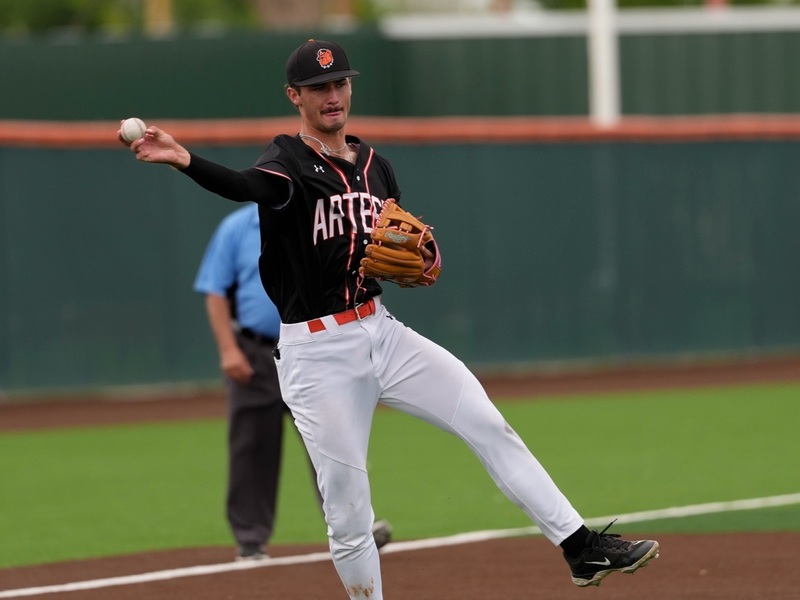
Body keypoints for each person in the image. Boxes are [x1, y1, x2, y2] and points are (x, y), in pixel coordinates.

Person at [121, 39, 659, 598]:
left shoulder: (378, 167)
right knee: (350, 516)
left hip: (381, 329)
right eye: (318, 88)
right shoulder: (287, 165)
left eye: (340, 84)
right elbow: (244, 185)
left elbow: (404, 242)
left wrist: (426, 258)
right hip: (317, 353)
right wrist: (185, 160)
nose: (333, 95)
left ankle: (579, 546)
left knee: (485, 420)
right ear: (295, 97)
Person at [193, 202, 392, 561]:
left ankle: (356, 526)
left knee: (334, 440)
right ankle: (250, 539)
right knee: (252, 445)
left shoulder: (318, 221)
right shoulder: (238, 227)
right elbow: (215, 289)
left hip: (317, 348)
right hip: (255, 352)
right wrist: (228, 349)